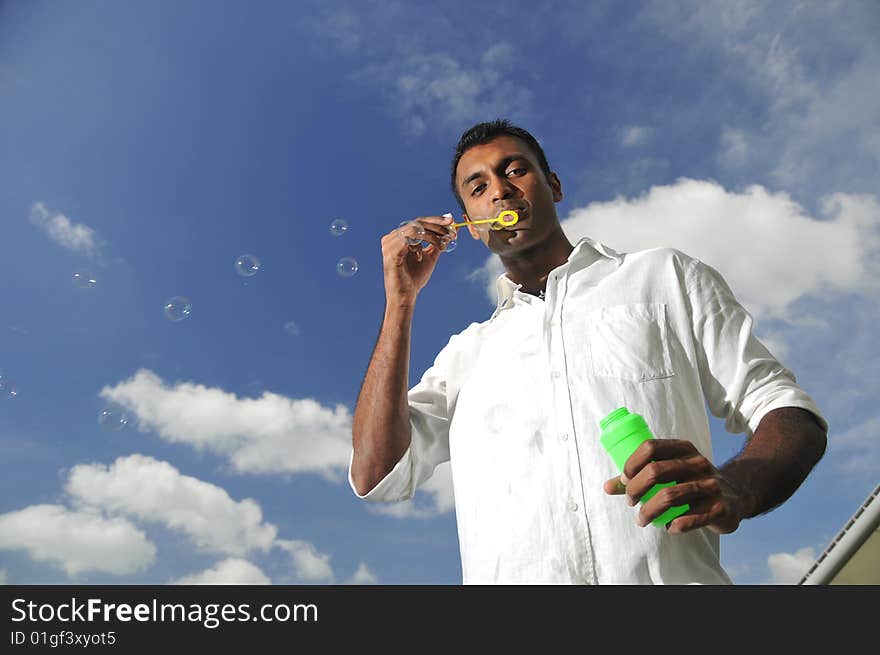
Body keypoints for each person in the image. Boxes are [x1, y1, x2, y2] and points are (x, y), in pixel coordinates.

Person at [348, 119, 828, 584]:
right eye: (478, 187)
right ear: (472, 226)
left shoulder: (664, 276)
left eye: (515, 170)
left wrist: (739, 488)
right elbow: (377, 474)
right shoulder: (465, 354)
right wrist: (400, 302)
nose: (500, 190)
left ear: (553, 185)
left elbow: (788, 411)